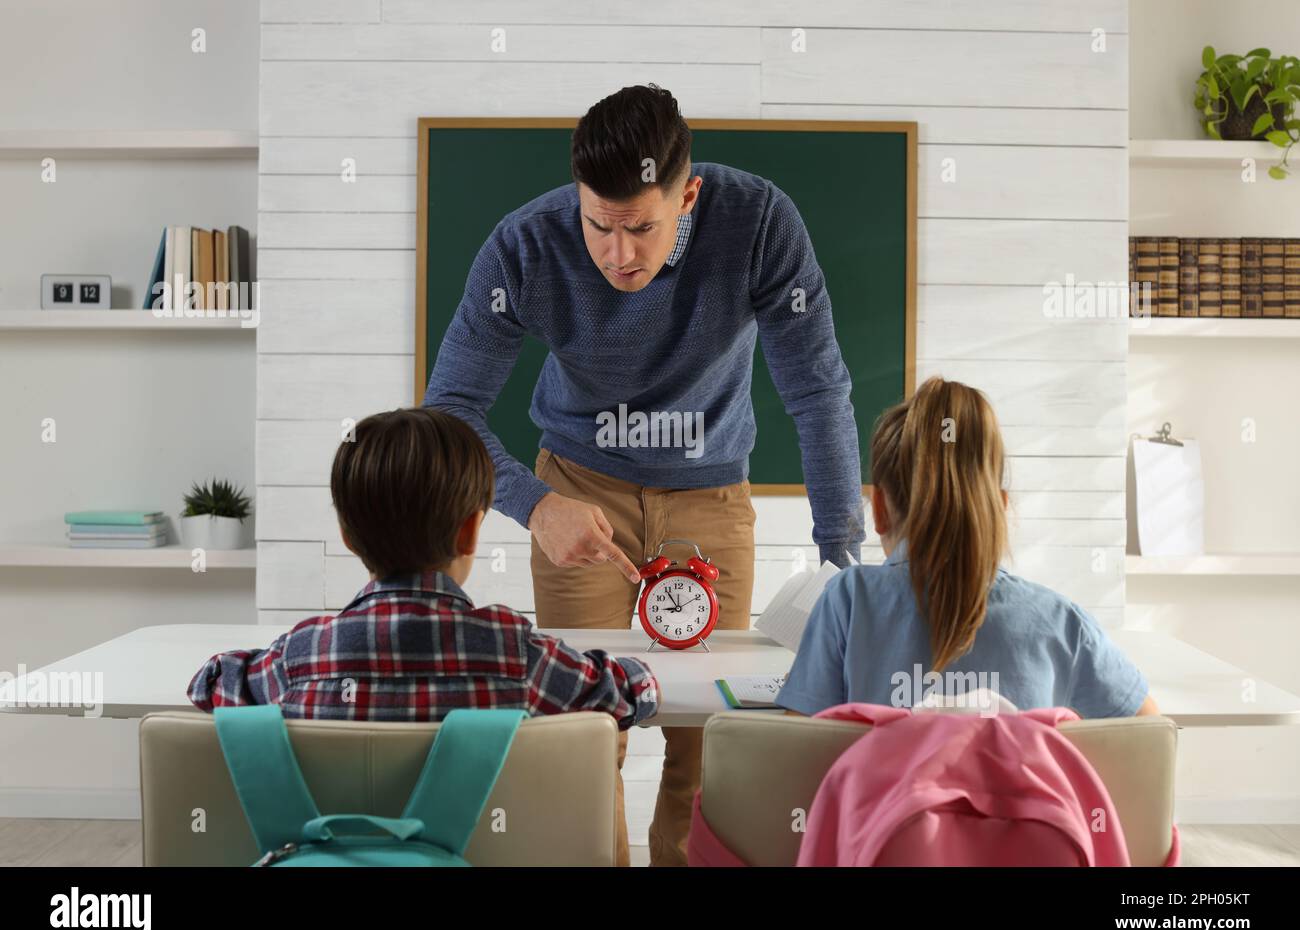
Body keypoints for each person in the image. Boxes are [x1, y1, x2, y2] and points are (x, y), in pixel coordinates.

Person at [423, 84, 864, 865]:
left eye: (641, 227)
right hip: (576, 490)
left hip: (713, 492)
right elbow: (449, 409)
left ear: (687, 195)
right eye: (599, 224)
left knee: (709, 746)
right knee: (588, 736)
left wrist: (843, 560)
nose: (618, 253)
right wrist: (532, 505)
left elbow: (817, 389)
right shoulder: (525, 245)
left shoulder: (760, 223)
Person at [188, 407, 659, 734]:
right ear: (470, 533)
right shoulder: (517, 655)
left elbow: (211, 683)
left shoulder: (302, 657)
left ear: (348, 537)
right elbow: (627, 692)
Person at [777, 377, 1159, 720]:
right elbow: (1149, 736)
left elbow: (798, 751)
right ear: (1001, 506)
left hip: (885, 802)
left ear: (878, 510)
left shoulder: (847, 602)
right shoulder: (1062, 623)